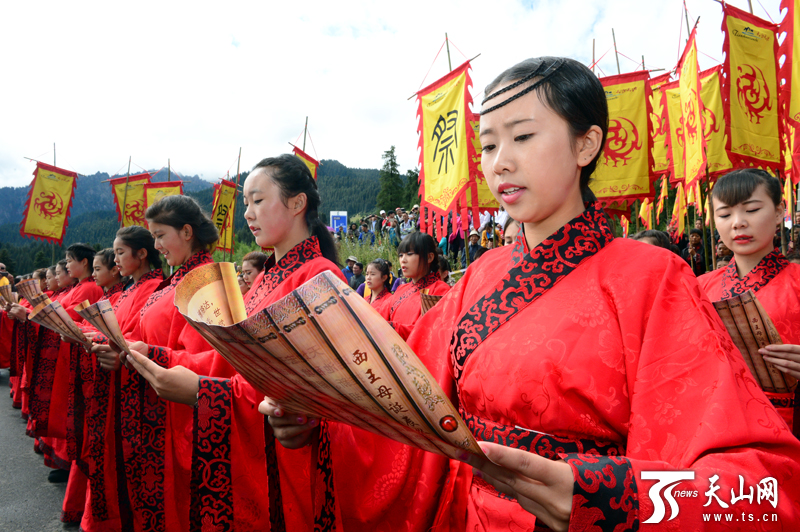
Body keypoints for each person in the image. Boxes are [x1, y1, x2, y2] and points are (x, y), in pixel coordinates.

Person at [402, 56, 800, 530]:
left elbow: (759, 486)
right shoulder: (481, 273)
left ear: (585, 144)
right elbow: (403, 392)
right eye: (488, 145)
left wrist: (611, 497)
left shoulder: (653, 277)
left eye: (523, 136)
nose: (499, 161)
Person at [697, 168, 800, 438]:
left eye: (752, 210)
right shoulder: (700, 287)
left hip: (789, 427)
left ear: (779, 212)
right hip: (721, 426)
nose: (738, 223)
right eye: (725, 214)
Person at [81, 225, 164, 532]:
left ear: (141, 254)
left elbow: (135, 337)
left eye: (119, 253)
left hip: (137, 386)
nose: (115, 260)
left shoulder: (156, 288)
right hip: (117, 378)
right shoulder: (131, 288)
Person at [379, 231, 450, 340]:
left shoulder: (440, 289)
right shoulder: (401, 289)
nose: (403, 260)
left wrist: (391, 328)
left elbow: (427, 332)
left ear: (429, 257)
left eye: (409, 254)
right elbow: (379, 315)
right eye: (401, 255)